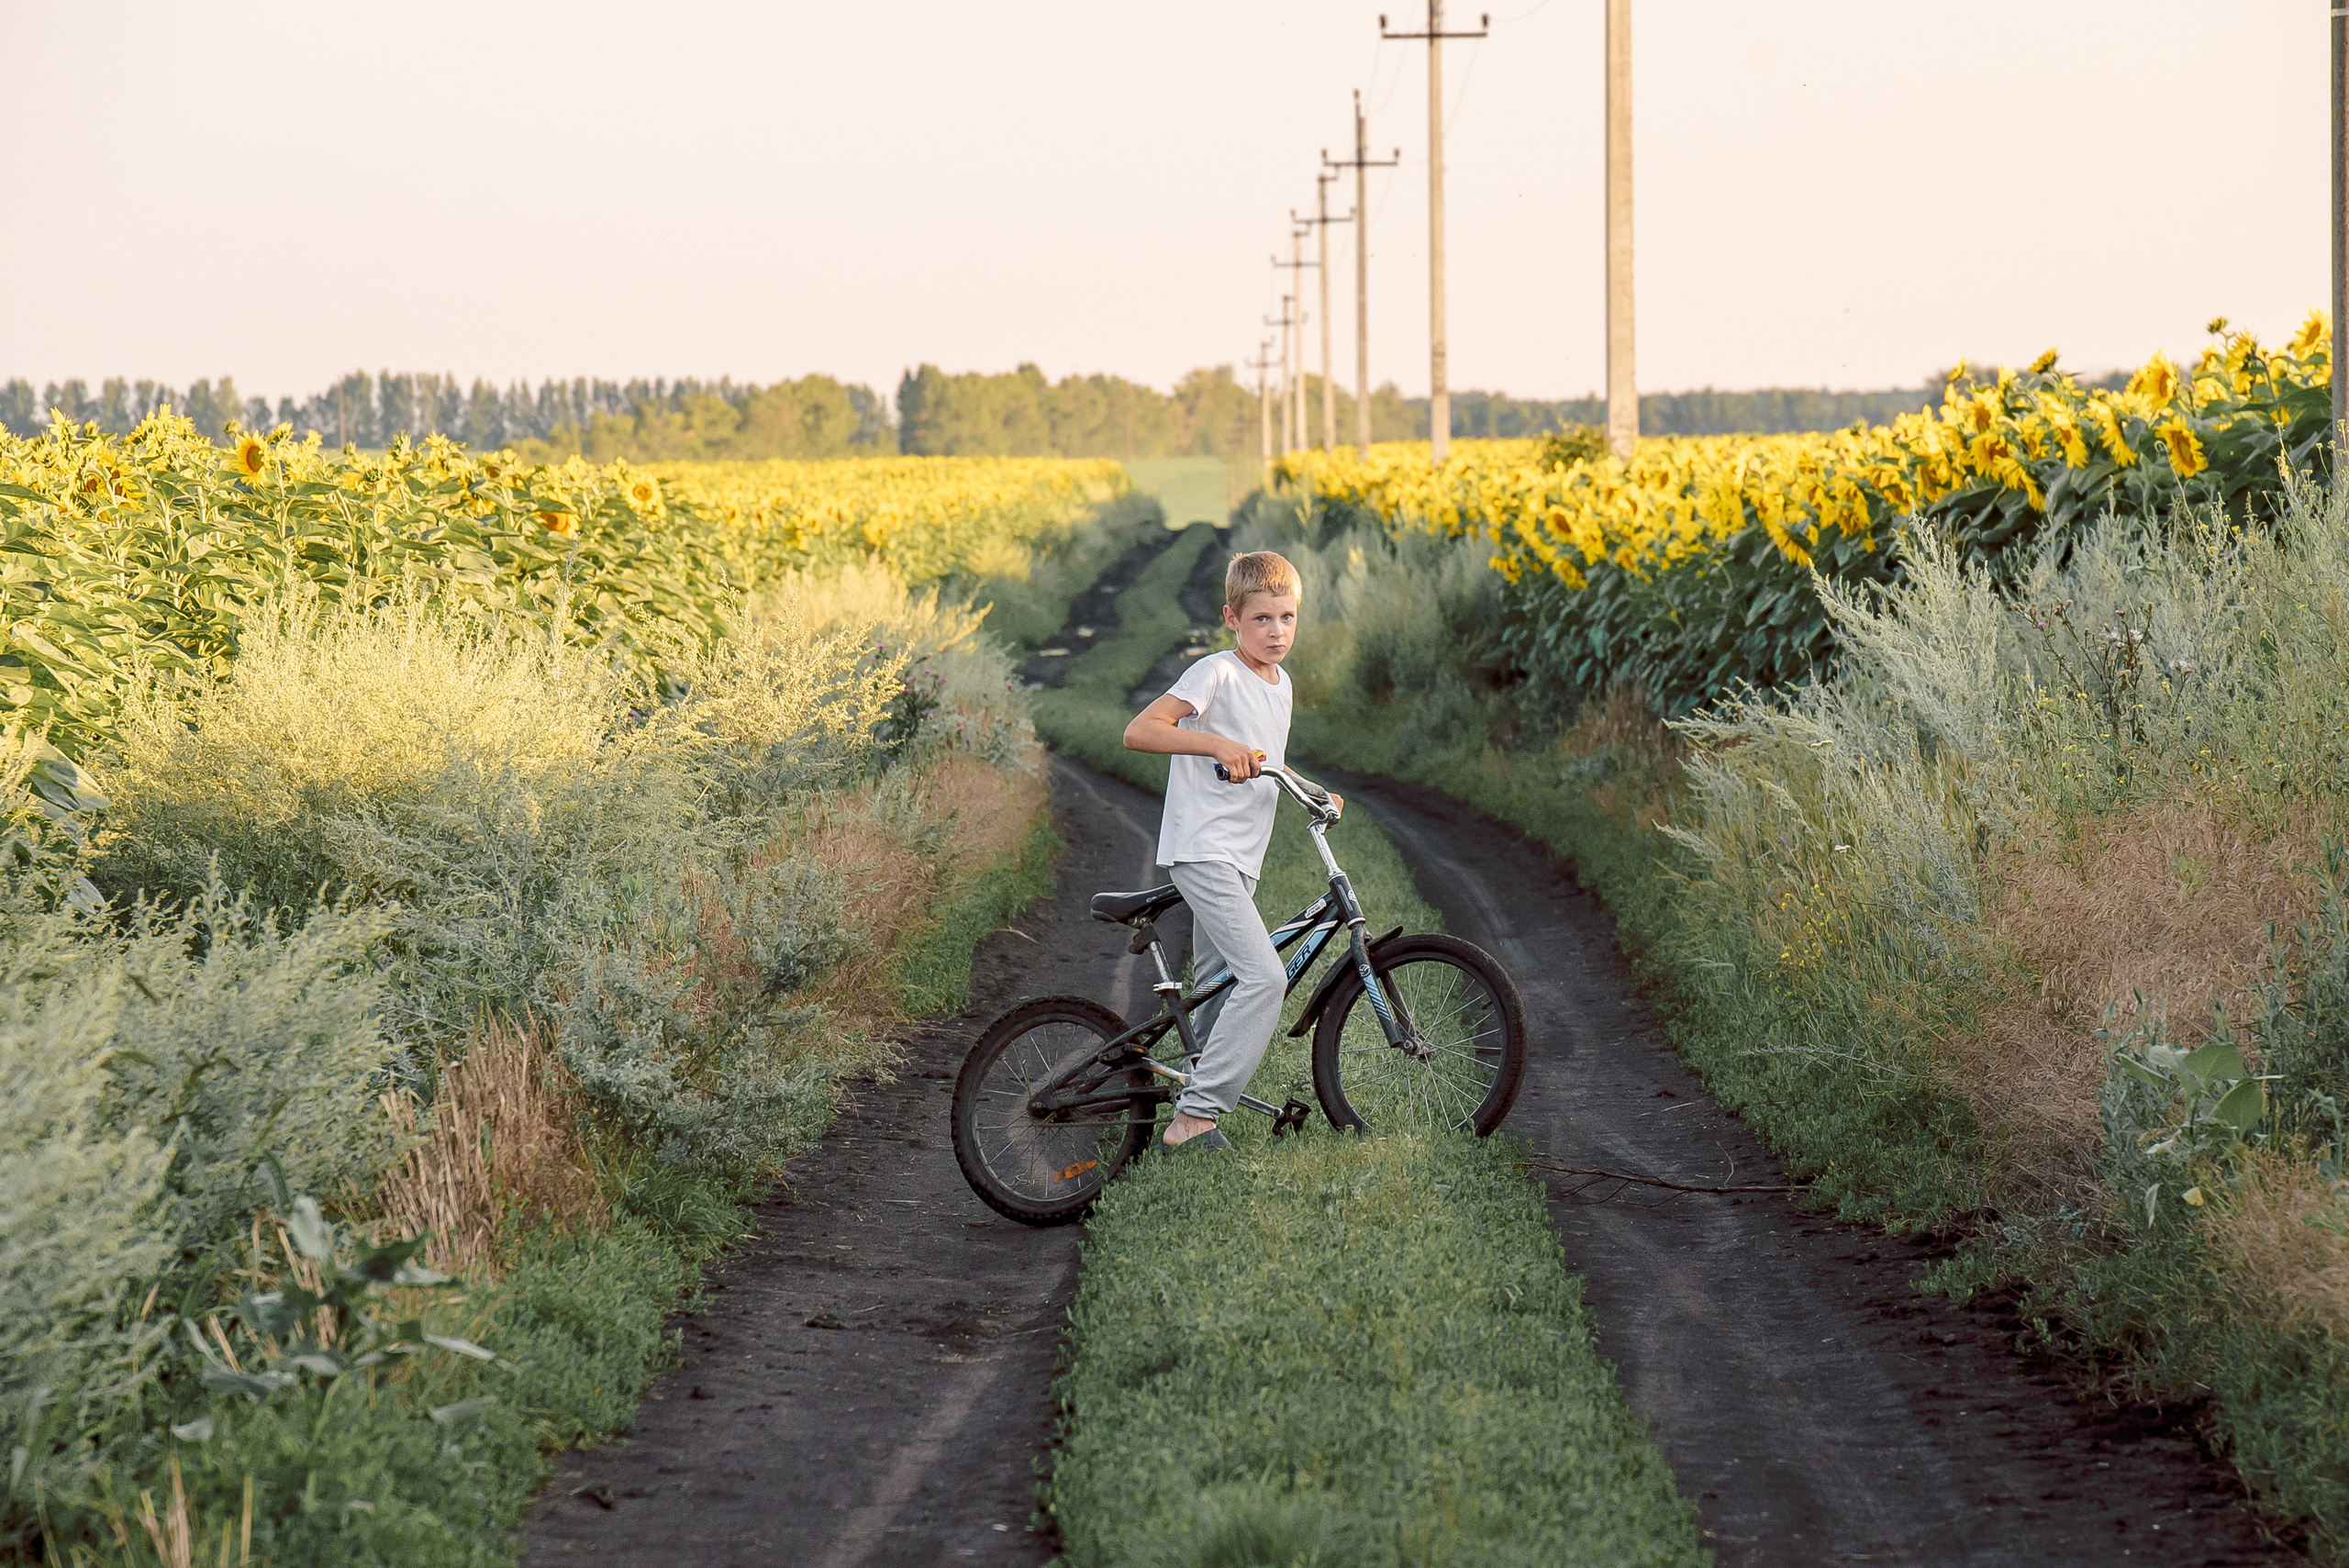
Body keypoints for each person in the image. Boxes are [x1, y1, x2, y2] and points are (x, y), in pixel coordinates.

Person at [1120, 549, 1336, 1151]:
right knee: (1264, 977)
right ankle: (1198, 1113)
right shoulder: (1215, 672)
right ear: (1232, 618)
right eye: (1262, 618)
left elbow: (1267, 757)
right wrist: (1212, 744)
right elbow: (1139, 730)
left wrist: (1316, 793)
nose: (1277, 631)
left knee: (1218, 987)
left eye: (1288, 618)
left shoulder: (1281, 684)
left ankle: (1192, 1093)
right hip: (1203, 849)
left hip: (1243, 858)